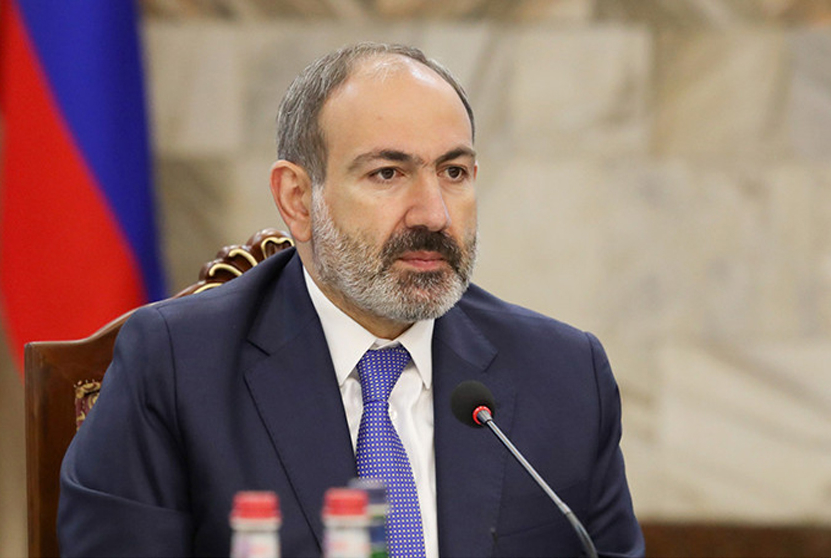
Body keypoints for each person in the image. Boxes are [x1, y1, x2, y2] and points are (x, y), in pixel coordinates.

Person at [58, 42, 644, 557]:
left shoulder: (564, 376)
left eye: (454, 172)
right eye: (388, 173)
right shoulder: (176, 367)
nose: (434, 214)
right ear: (297, 199)